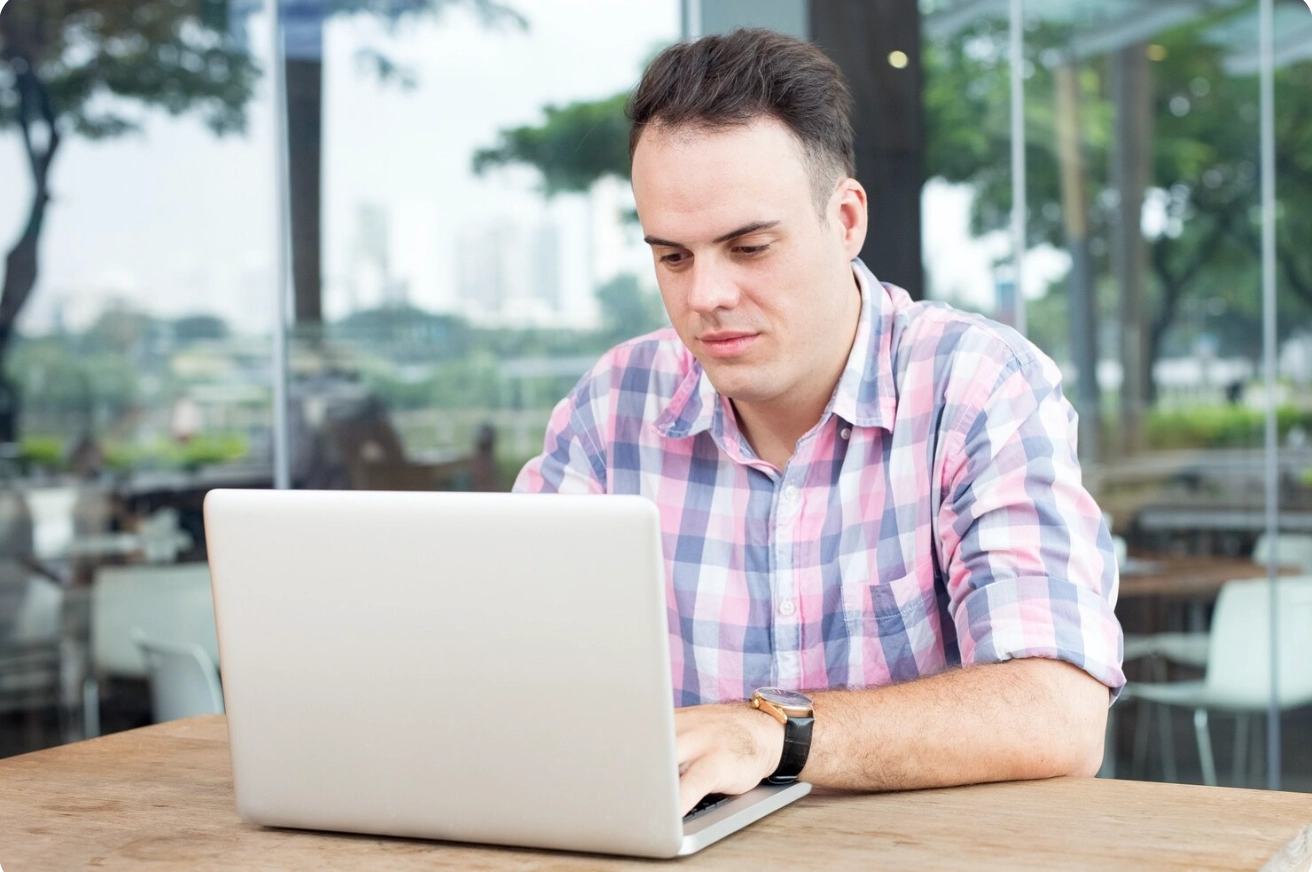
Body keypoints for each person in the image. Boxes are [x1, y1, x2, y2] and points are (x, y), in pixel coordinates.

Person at [514, 28, 1124, 815]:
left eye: (749, 247)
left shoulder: (974, 387)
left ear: (844, 220)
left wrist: (772, 733)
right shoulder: (612, 407)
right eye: (672, 257)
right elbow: (515, 667)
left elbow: (1060, 714)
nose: (705, 297)